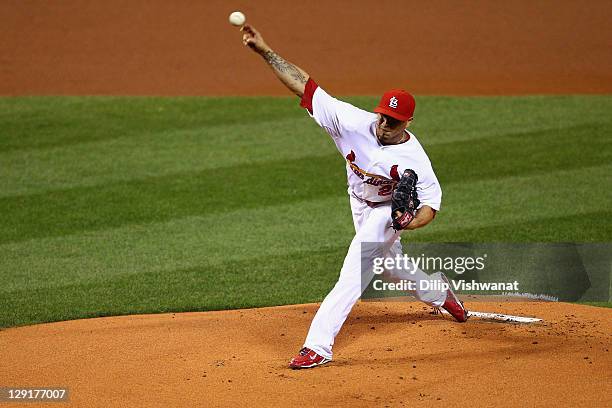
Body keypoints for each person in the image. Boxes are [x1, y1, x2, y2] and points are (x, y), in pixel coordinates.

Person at [241, 24, 468, 369]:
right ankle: (440, 294)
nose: (384, 123)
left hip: (386, 213)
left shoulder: (415, 160)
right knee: (391, 269)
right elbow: (304, 84)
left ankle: (318, 346)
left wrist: (408, 221)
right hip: (358, 202)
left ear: (408, 121)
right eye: (382, 115)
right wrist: (264, 50)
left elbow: (430, 207)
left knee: (355, 268)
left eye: (393, 120)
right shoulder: (350, 121)